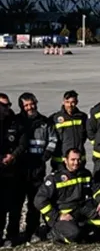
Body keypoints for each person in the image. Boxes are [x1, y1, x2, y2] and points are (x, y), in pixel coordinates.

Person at [34, 148, 100, 244]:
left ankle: (84, 231)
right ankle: (54, 233)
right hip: (62, 213)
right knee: (74, 234)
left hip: (79, 210)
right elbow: (39, 201)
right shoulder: (55, 178)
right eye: (73, 160)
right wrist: (58, 216)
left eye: (78, 159)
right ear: (65, 160)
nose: (76, 162)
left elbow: (96, 189)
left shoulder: (85, 174)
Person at [16, 92, 58, 242]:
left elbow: (53, 139)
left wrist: (46, 154)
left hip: (37, 167)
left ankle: (32, 231)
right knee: (17, 203)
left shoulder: (45, 122)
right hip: (20, 168)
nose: (29, 107)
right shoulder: (17, 122)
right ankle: (13, 233)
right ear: (21, 106)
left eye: (31, 104)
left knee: (35, 202)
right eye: (26, 105)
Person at [0, 101, 28, 247]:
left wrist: (13, 156)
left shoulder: (15, 122)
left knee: (15, 206)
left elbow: (22, 143)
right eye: (3, 105)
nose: (6, 108)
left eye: (8, 105)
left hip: (14, 170)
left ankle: (13, 235)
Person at [49, 90, 88, 167]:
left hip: (78, 159)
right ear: (63, 102)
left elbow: (86, 135)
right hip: (60, 160)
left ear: (77, 102)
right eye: (67, 102)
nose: (70, 105)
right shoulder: (55, 118)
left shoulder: (83, 117)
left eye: (72, 102)